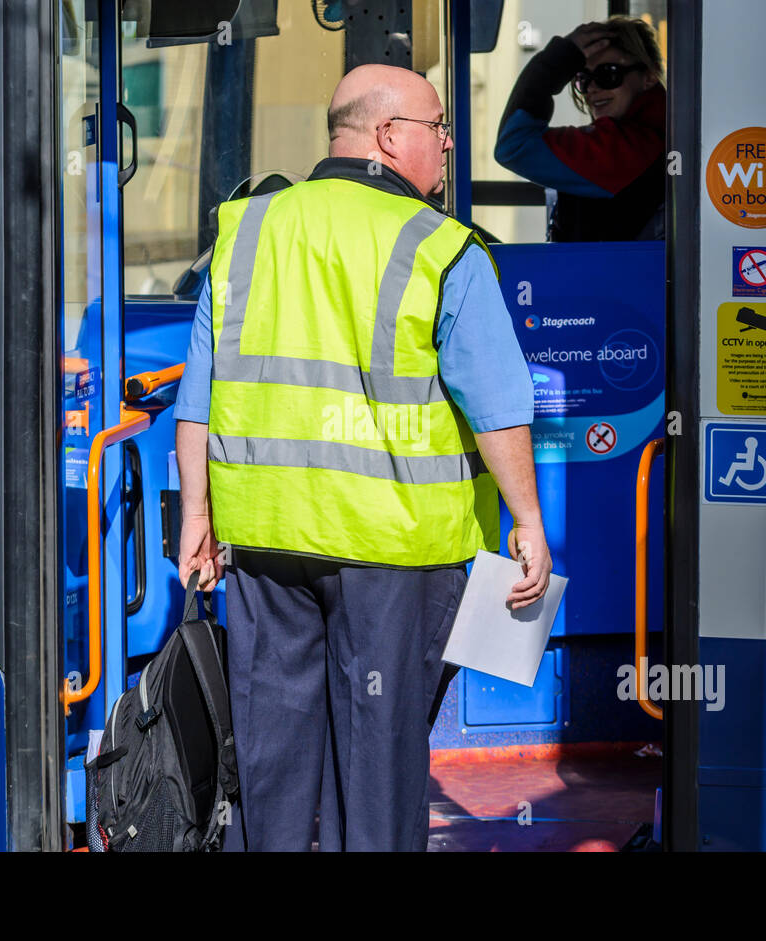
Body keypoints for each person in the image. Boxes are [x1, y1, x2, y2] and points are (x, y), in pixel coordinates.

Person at [171, 63, 552, 852]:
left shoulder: (246, 230)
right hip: (394, 550)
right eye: (438, 127)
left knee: (270, 754)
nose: (448, 144)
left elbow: (198, 398)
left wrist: (197, 519)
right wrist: (528, 523)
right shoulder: (442, 246)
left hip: (265, 542)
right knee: (377, 761)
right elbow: (498, 406)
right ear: (387, 136)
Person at [494, 16, 666, 242]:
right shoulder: (664, 132)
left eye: (608, 74)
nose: (592, 89)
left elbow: (514, 145)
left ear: (649, 76)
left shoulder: (630, 146)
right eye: (584, 79)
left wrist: (555, 62)